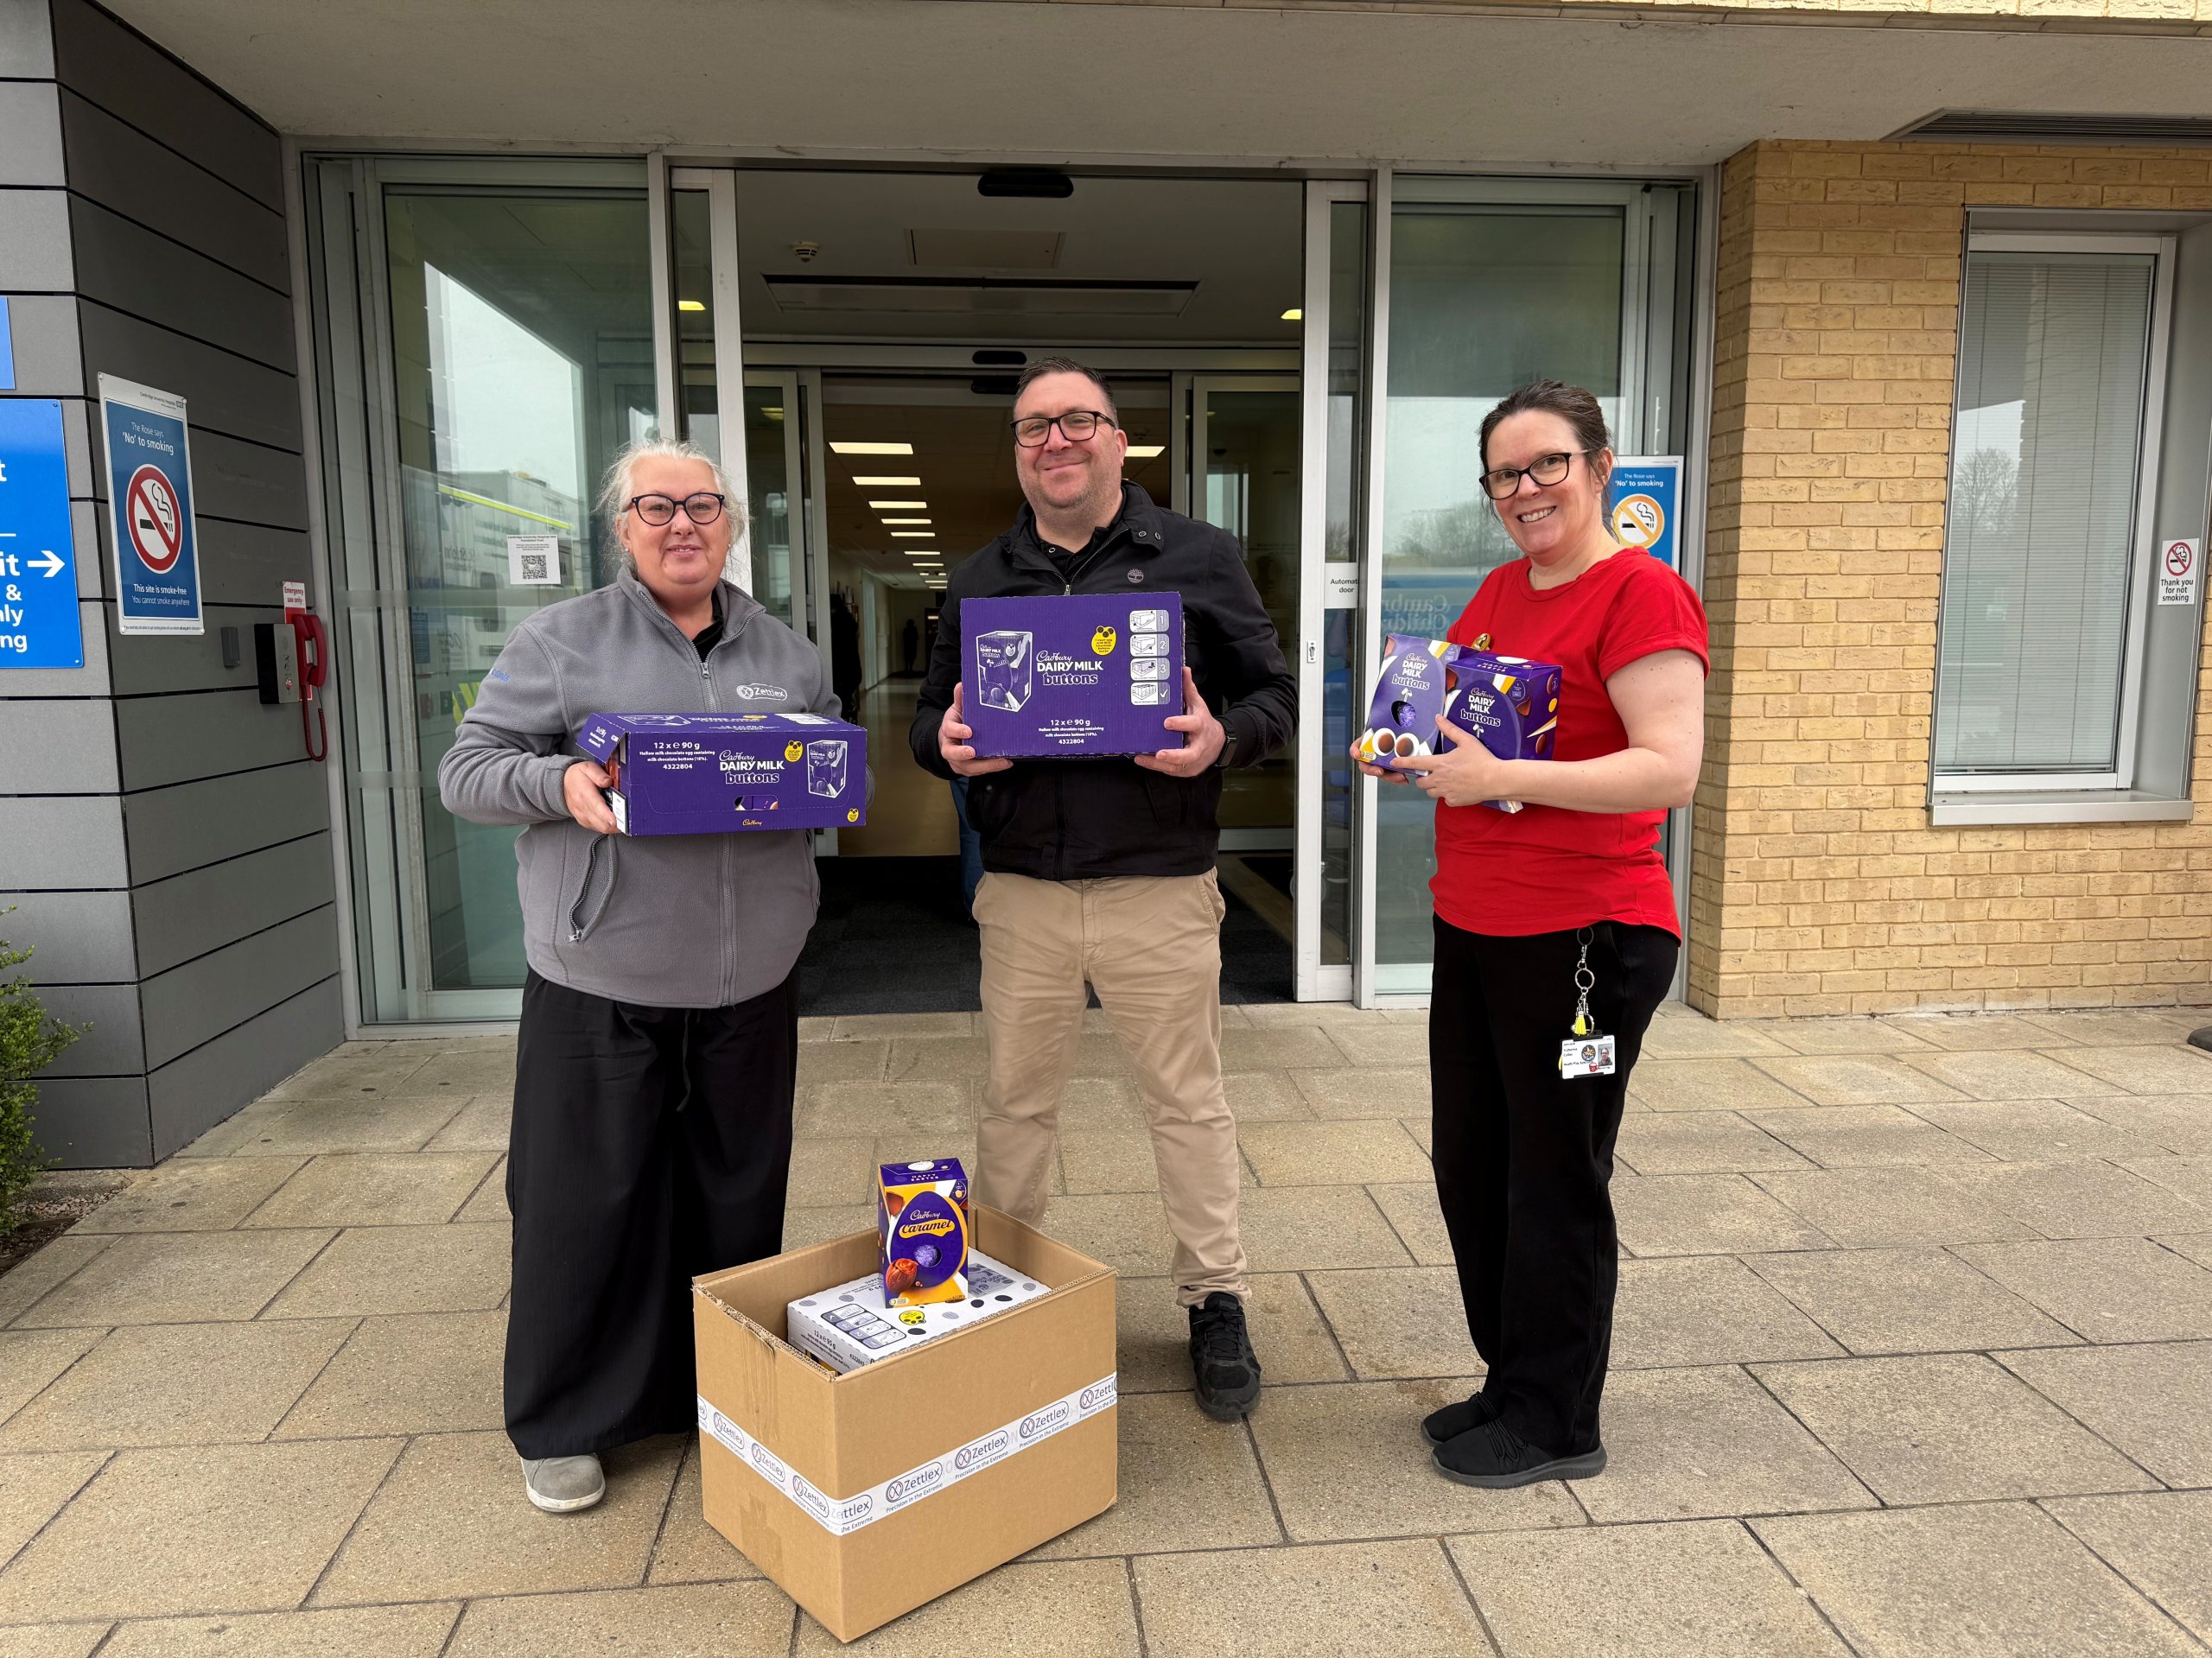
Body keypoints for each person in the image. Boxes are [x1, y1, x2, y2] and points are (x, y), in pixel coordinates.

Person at [439, 438, 838, 1514]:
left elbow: (814, 771)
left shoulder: (790, 653)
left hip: (751, 973)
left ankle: (722, 1392)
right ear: (622, 527)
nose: (681, 525)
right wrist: (557, 778)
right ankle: (566, 1417)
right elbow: (466, 770)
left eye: (702, 505)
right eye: (655, 506)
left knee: (735, 1191)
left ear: (732, 522)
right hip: (597, 968)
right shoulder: (559, 640)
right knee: (584, 1199)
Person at [911, 358, 1296, 1420]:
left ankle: (1215, 1296)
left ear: (1118, 440)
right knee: (1014, 1109)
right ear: (1021, 450)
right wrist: (941, 744)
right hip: (1025, 889)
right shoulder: (983, 571)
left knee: (1188, 1104)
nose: (1056, 441)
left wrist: (1223, 736)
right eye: (1035, 427)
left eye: (1078, 421)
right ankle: (995, 1288)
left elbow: (1273, 693)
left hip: (1158, 889)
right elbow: (928, 720)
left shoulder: (1198, 556)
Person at [1358, 380, 1707, 1488]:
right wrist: (1401, 744)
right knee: (1474, 1165)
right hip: (1475, 919)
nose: (1526, 490)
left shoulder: (1642, 595)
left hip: (1585, 937)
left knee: (1552, 1178)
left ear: (1598, 464)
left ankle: (1558, 1418)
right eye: (1505, 474)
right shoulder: (1504, 586)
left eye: (1547, 463)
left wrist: (1499, 773)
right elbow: (1447, 718)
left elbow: (1669, 766)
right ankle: (1512, 1378)